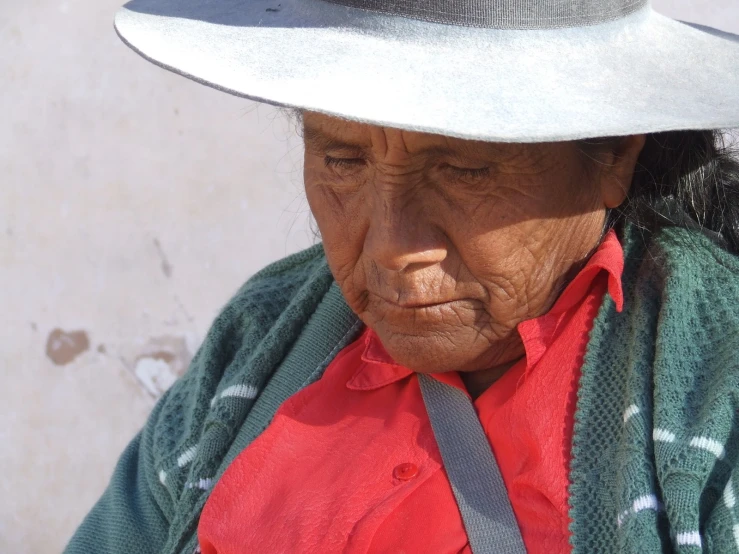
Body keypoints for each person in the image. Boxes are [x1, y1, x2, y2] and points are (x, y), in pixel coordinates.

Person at [67, 0, 739, 552]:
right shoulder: (258, 338)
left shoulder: (717, 384)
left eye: (464, 170)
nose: (391, 248)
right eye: (342, 161)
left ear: (613, 153)